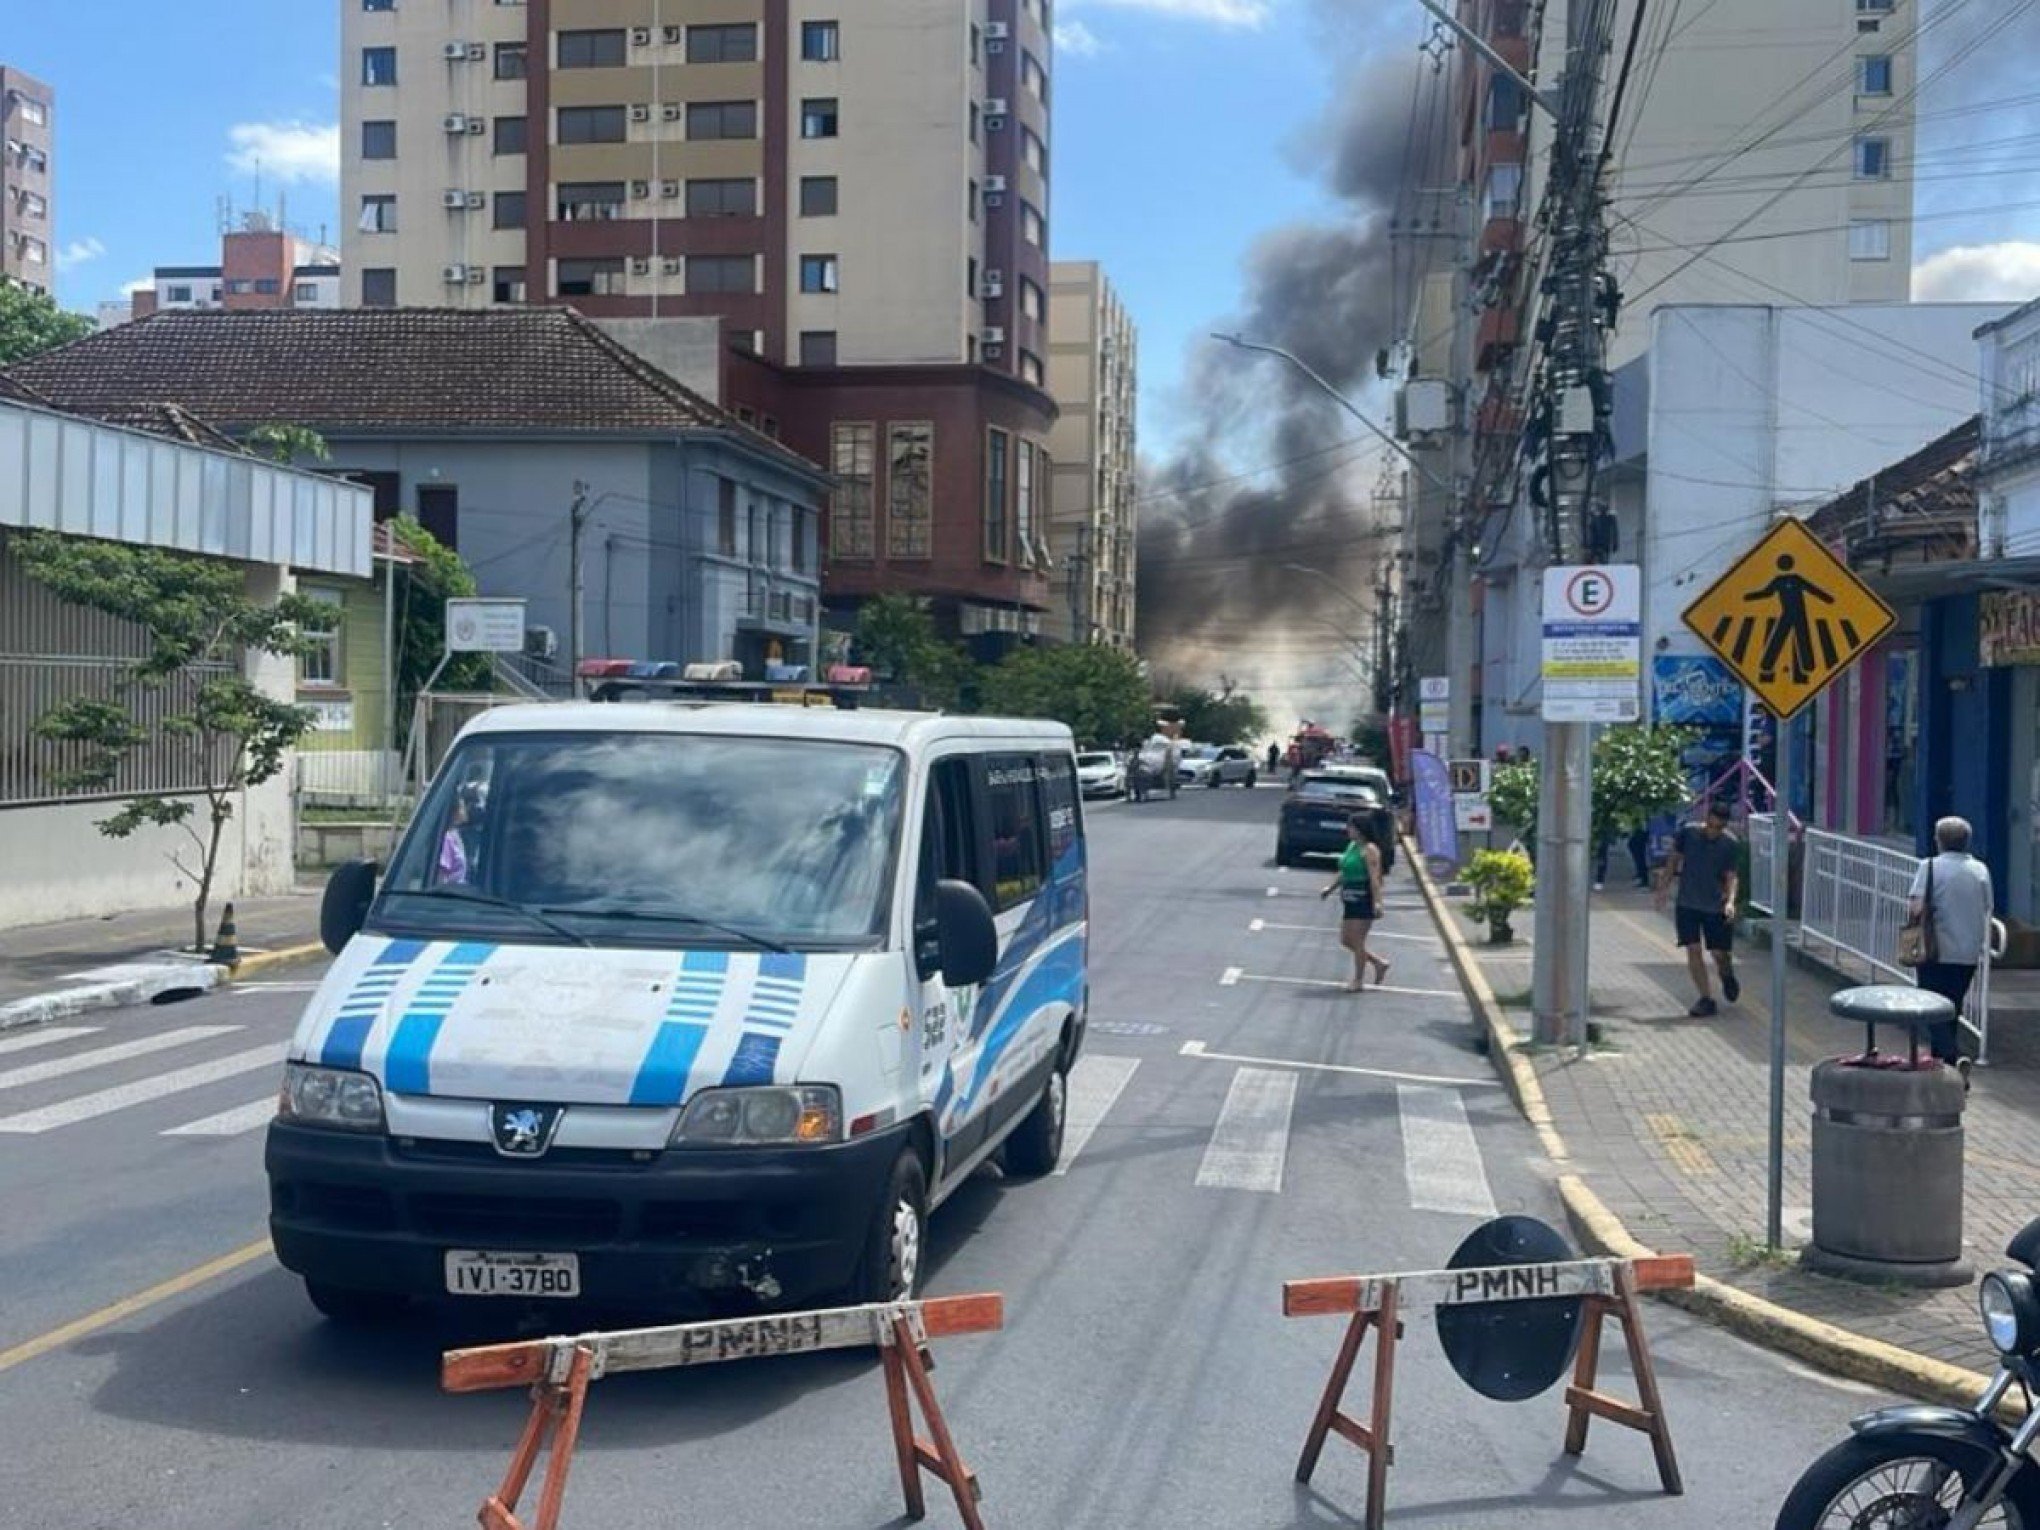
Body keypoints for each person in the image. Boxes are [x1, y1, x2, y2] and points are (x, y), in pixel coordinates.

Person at [1909, 816, 1993, 1079]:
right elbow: (1987, 906)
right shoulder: (1980, 870)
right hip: (1968, 950)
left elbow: (1915, 908)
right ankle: (1942, 1068)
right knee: (1952, 1008)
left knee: (1931, 1007)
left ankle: (1950, 1058)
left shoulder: (1929, 866)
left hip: (1935, 949)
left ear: (1940, 840)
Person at [1657, 800, 1740, 1017]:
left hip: (1715, 905)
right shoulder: (1688, 834)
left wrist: (1730, 902)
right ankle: (1706, 998)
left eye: (1719, 828)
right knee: (1693, 949)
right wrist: (1663, 889)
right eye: (1711, 826)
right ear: (1706, 819)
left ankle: (1726, 973)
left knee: (1718, 953)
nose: (1714, 832)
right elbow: (1673, 861)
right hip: (1688, 903)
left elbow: (1731, 876)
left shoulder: (1729, 844)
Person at [1320, 814, 1391, 992]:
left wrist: (1378, 902)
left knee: (1358, 941)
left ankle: (1358, 980)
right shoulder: (1352, 847)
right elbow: (1344, 871)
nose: (1348, 830)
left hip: (1363, 898)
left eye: (1351, 827)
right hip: (1349, 898)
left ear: (1360, 830)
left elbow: (1375, 878)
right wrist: (1330, 888)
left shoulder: (1369, 850)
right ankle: (1378, 963)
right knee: (1346, 940)